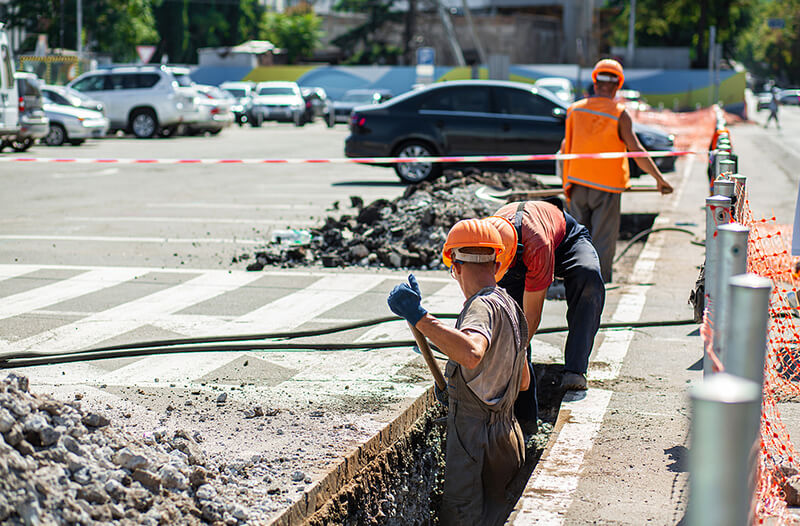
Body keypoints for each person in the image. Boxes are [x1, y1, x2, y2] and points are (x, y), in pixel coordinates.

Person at [387, 218, 529, 526]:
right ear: (496, 262)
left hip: (475, 446)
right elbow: (523, 380)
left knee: (462, 517)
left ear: (456, 266)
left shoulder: (481, 307)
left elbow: (471, 352)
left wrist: (419, 317)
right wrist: (457, 390)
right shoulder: (511, 306)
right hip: (507, 441)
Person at [561, 58, 673, 283]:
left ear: (595, 82)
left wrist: (565, 182)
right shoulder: (619, 114)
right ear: (618, 85)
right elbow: (636, 150)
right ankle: (597, 283)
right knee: (602, 239)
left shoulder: (574, 111)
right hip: (606, 187)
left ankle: (574, 280)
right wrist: (659, 179)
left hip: (577, 182)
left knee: (576, 238)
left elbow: (565, 147)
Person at [488, 200, 605, 392]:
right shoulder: (482, 240)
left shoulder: (537, 244)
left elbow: (532, 314)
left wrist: (518, 353)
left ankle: (575, 369)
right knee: (512, 322)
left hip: (565, 241)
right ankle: (520, 398)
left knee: (588, 278)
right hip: (514, 248)